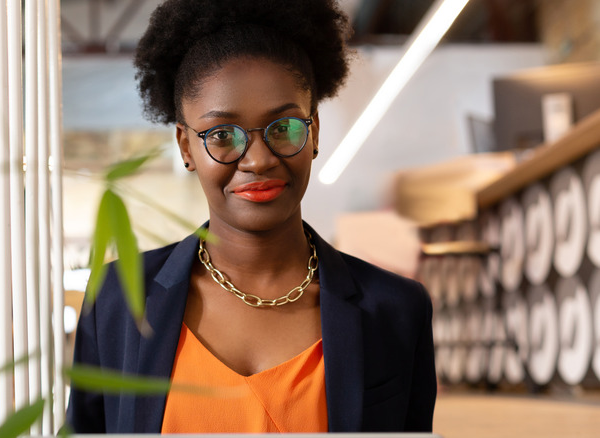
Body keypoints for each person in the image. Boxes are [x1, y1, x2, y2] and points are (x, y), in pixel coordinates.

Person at [66, 0, 436, 433]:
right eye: (222, 135)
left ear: (313, 132)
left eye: (283, 128)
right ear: (186, 147)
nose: (258, 160)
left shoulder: (394, 309)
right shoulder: (117, 300)